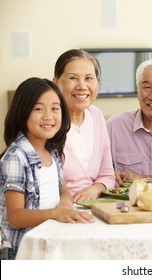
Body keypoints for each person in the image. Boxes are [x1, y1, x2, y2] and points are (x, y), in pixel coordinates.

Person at [0, 78, 94, 259]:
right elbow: (15, 217)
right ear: (23, 112)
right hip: (23, 252)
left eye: (55, 108)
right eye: (38, 109)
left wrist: (66, 207)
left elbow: (64, 190)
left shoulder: (51, 151)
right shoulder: (16, 157)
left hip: (49, 242)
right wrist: (55, 213)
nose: (48, 116)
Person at [53, 49, 115, 202]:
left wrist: (95, 189)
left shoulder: (96, 116)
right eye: (73, 78)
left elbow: (107, 174)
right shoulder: (49, 121)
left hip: (95, 206)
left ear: (98, 84)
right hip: (59, 210)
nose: (82, 86)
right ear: (56, 83)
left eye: (89, 78)